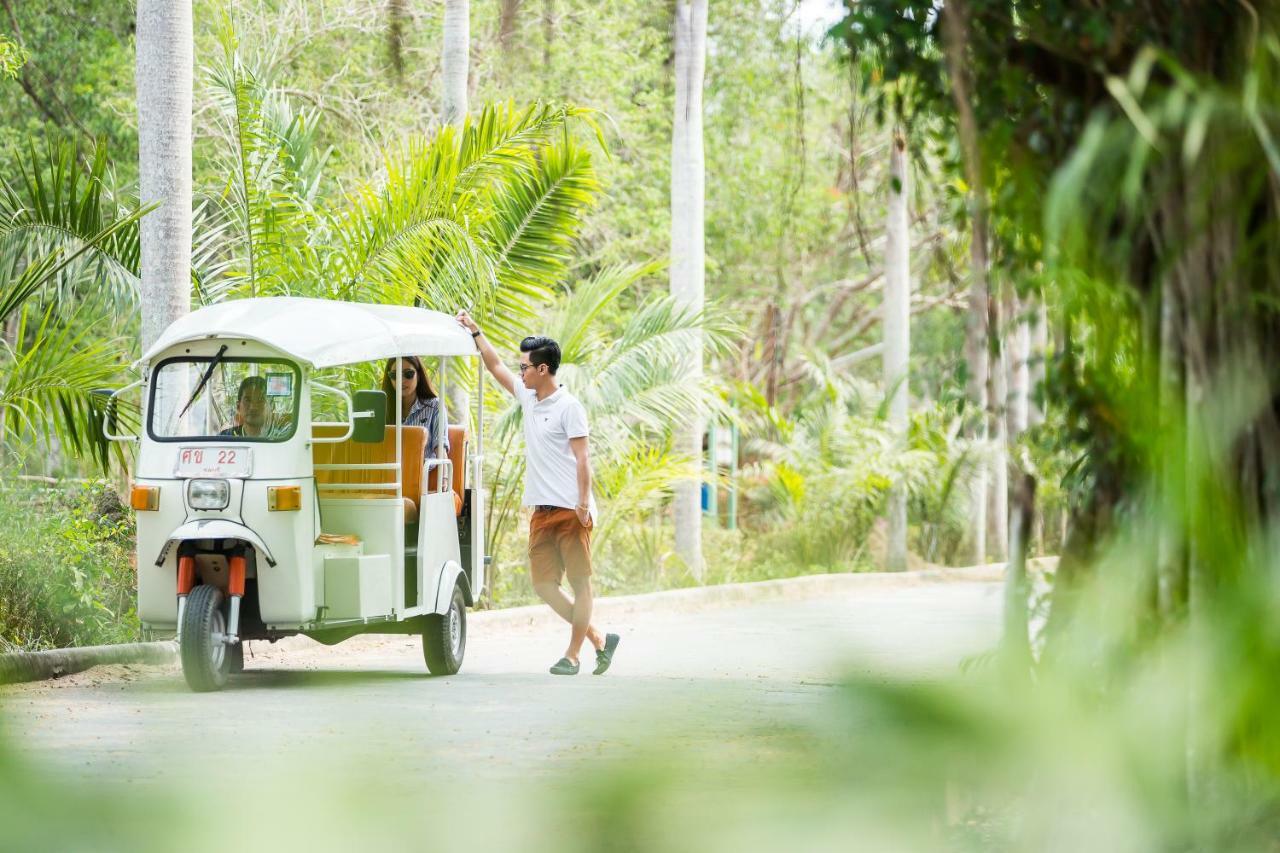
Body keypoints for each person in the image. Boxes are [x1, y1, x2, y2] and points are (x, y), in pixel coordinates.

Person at [455, 309, 620, 676]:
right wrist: (475, 331)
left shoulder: (570, 407)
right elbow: (495, 365)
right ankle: (600, 640)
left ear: (543, 370)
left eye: (525, 367)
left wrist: (582, 504)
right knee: (544, 585)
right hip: (541, 512)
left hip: (570, 510)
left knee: (580, 584)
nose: (520, 372)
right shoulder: (529, 399)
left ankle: (573, 656)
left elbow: (583, 458)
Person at [381, 356, 449, 458]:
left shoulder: (434, 406)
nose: (401, 380)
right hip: (388, 471)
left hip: (421, 472)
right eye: (395, 375)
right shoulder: (381, 408)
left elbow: (441, 453)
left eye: (408, 374)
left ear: (419, 375)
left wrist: (444, 474)